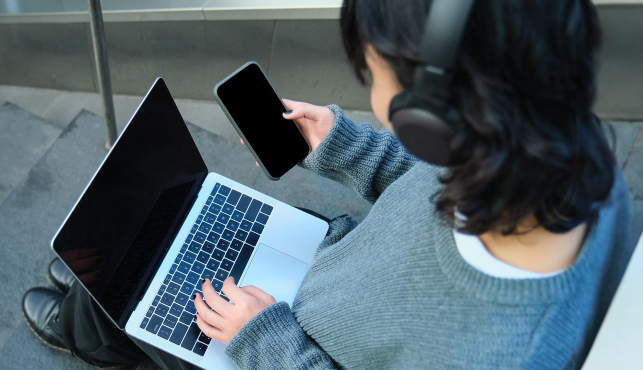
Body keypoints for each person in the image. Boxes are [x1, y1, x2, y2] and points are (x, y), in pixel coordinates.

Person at [22, 0, 633, 368]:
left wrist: (263, 341)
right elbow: (433, 186)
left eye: (371, 71)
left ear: (434, 120)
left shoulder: (492, 356)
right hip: (335, 271)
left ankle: (95, 334)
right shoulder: (563, 148)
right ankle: (103, 301)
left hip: (292, 344)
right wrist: (351, 147)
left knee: (129, 290)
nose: (369, 87)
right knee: (158, 246)